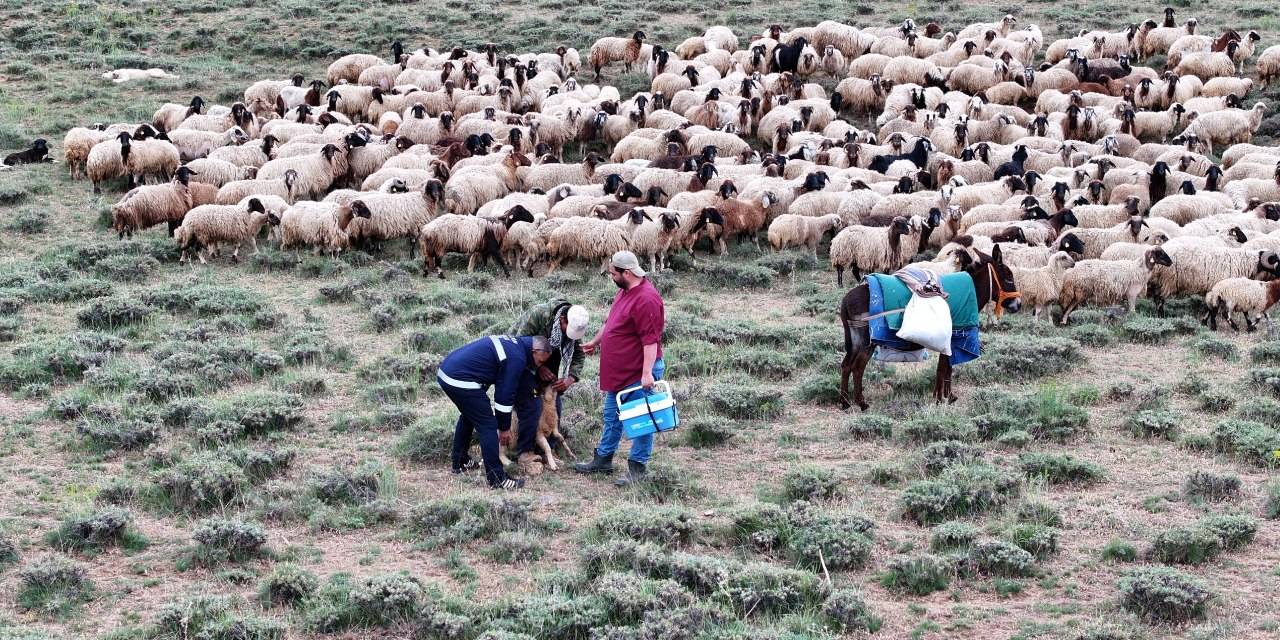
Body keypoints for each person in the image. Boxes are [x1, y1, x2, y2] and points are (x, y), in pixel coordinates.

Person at [575, 250, 666, 486]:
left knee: (640, 419)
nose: (611, 276)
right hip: (620, 372)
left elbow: (650, 340)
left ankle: (638, 468)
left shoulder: (646, 299)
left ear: (626, 273)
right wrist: (596, 341)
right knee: (612, 416)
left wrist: (647, 373)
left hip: (638, 371)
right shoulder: (624, 291)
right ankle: (603, 459)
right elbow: (611, 322)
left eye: (613, 273)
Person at [437, 334, 552, 490]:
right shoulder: (517, 358)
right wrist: (504, 428)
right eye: (540, 361)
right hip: (459, 379)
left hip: (448, 371)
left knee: (470, 415)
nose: (539, 366)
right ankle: (497, 478)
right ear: (535, 350)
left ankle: (460, 461)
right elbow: (504, 396)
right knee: (488, 425)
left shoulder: (516, 344)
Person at [508, 299, 590, 458]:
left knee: (553, 405)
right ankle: (525, 452)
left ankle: (548, 450)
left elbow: (579, 354)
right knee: (531, 404)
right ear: (562, 320)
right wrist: (538, 367)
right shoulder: (539, 315)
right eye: (568, 330)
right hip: (522, 361)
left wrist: (570, 379)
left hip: (548, 360)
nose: (570, 335)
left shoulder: (573, 324)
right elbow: (518, 346)